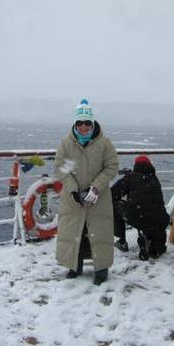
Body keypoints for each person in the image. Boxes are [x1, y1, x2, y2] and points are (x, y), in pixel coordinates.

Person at [54, 99, 119, 285]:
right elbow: (61, 168)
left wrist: (96, 187)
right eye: (80, 123)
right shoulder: (66, 144)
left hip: (98, 198)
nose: (84, 126)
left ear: (92, 123)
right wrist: (73, 190)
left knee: (99, 233)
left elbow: (111, 166)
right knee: (75, 232)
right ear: (75, 124)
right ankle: (74, 266)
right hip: (72, 200)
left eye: (87, 123)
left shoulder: (105, 143)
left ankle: (101, 269)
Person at [111, 155, 170, 260]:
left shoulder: (130, 178)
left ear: (136, 166)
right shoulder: (155, 179)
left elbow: (113, 193)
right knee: (148, 210)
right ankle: (152, 243)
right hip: (160, 219)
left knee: (115, 206)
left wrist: (127, 178)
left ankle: (122, 241)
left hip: (139, 218)